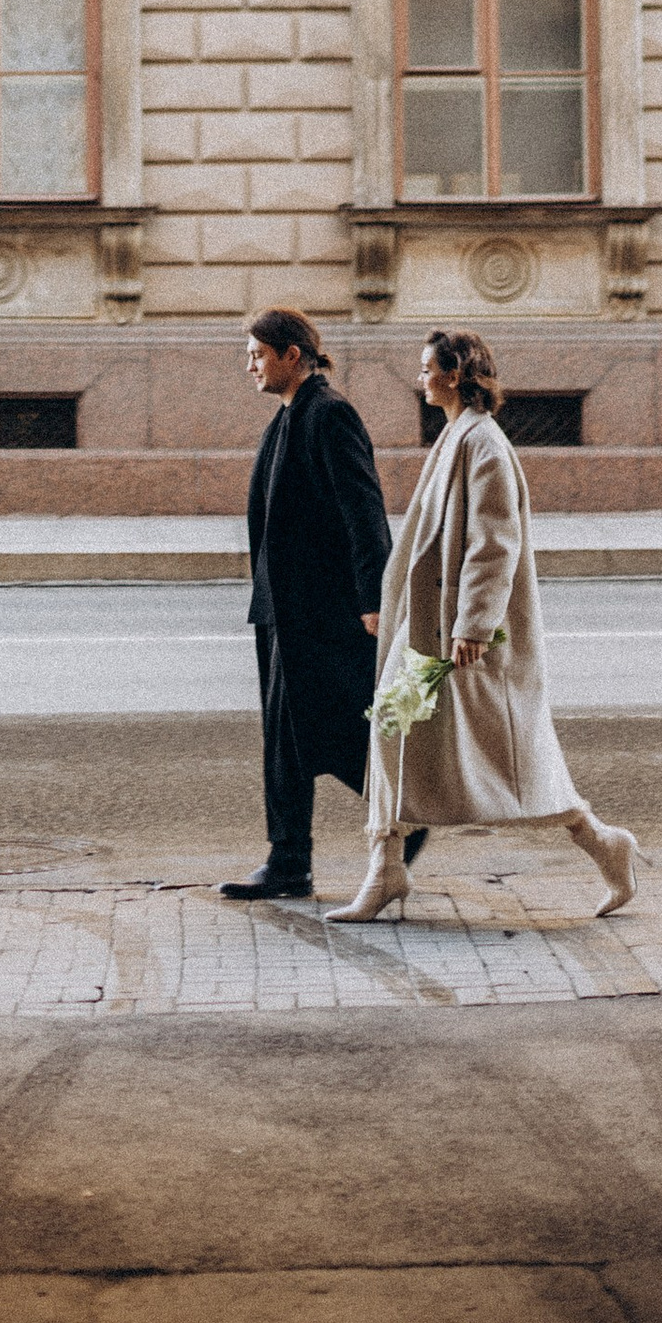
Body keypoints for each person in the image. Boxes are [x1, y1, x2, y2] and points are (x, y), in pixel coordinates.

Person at [329, 326, 639, 923]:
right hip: (430, 629)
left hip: (461, 638)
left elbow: (495, 544)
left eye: (427, 369)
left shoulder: (483, 443)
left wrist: (472, 625)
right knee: (392, 727)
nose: (420, 378)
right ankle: (386, 867)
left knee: (511, 760)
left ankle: (604, 843)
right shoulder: (458, 435)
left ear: (455, 374)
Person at [220, 306, 395, 902]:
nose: (250, 366)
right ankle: (289, 860)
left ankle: (408, 811)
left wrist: (373, 595)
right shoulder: (291, 415)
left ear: (293, 354)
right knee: (287, 740)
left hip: (321, 611)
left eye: (257, 354)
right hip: (283, 608)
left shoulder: (329, 413)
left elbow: (363, 511)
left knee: (337, 727)